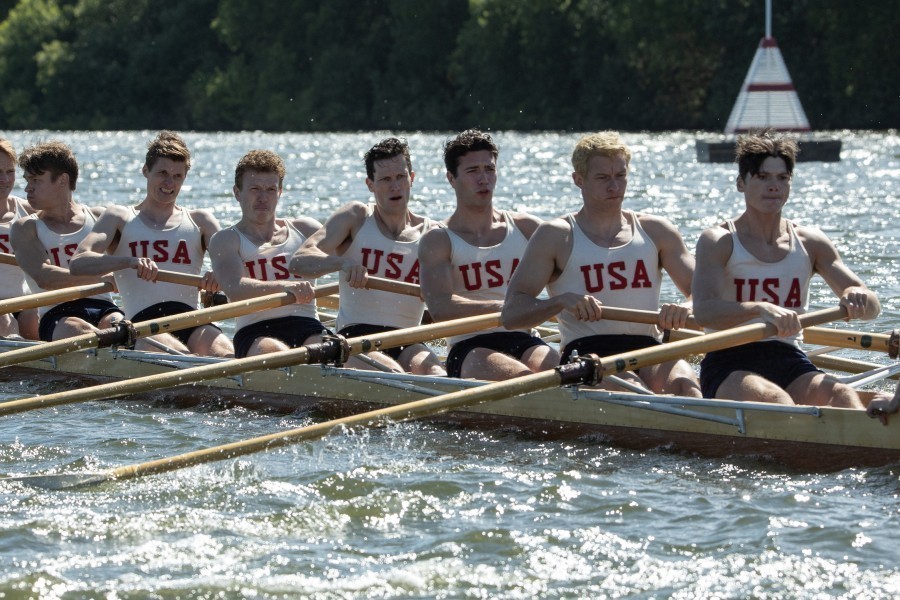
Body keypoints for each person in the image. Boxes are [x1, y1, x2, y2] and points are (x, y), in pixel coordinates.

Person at [692, 130, 882, 408]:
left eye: (782, 178)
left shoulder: (811, 241)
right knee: (777, 402)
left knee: (842, 395)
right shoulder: (718, 241)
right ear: (741, 183)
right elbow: (704, 312)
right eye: (763, 177)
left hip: (788, 356)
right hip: (728, 360)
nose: (774, 186)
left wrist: (857, 295)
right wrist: (760, 309)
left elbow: (874, 309)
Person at [502, 131, 701, 396]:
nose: (614, 187)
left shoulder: (656, 231)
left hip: (649, 348)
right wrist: (561, 302)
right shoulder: (556, 235)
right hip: (588, 355)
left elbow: (705, 292)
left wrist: (685, 307)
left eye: (620, 176)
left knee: (686, 389)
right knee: (635, 394)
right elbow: (512, 313)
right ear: (579, 180)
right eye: (603, 178)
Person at [69, 131, 233, 357]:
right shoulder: (119, 217)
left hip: (192, 321)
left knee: (227, 355)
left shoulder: (200, 220)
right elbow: (78, 263)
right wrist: (128, 262)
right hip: (143, 325)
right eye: (163, 173)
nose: (169, 183)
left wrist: (220, 274)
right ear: (145, 171)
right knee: (180, 357)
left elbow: (236, 266)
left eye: (177, 176)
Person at [290, 137, 445, 375]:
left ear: (412, 179)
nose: (395, 186)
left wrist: (439, 294)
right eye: (385, 179)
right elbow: (300, 261)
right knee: (394, 375)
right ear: (370, 184)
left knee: (438, 377)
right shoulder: (356, 217)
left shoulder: (433, 233)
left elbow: (454, 294)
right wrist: (342, 263)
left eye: (400, 177)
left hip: (409, 339)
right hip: (355, 338)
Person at [418, 129, 558, 380]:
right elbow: (440, 308)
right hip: (470, 346)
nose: (483, 179)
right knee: (526, 378)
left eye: (489, 169)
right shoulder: (438, 239)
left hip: (524, 339)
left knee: (567, 374)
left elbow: (571, 275)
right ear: (451, 178)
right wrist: (507, 307)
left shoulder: (528, 228)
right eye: (473, 171)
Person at [208, 150, 324, 358]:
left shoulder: (307, 230)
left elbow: (347, 257)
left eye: (270, 189)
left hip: (308, 325)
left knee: (326, 353)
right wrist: (285, 285)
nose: (263, 198)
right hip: (256, 332)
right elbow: (235, 289)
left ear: (280, 192)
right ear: (237, 192)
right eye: (255, 189)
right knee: (279, 355)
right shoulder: (226, 239)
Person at [10, 141, 124, 341]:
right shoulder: (25, 228)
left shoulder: (100, 218)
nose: (27, 188)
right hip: (57, 313)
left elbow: (137, 257)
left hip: (104, 308)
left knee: (122, 327)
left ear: (62, 180)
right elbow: (45, 277)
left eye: (36, 180)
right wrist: (101, 278)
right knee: (87, 333)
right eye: (27, 180)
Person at [0, 138, 38, 339]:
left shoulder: (30, 211)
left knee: (35, 315)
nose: (5, 180)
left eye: (10, 172)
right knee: (4, 320)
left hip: (25, 305)